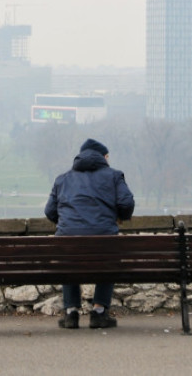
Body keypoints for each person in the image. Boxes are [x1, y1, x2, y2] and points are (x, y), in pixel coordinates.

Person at [44, 137, 136, 329]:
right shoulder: (114, 176)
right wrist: (120, 216)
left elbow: (49, 211)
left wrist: (67, 223)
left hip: (69, 243)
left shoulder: (62, 179)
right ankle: (99, 312)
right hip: (104, 242)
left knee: (68, 255)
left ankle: (71, 313)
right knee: (109, 256)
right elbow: (126, 203)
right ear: (104, 157)